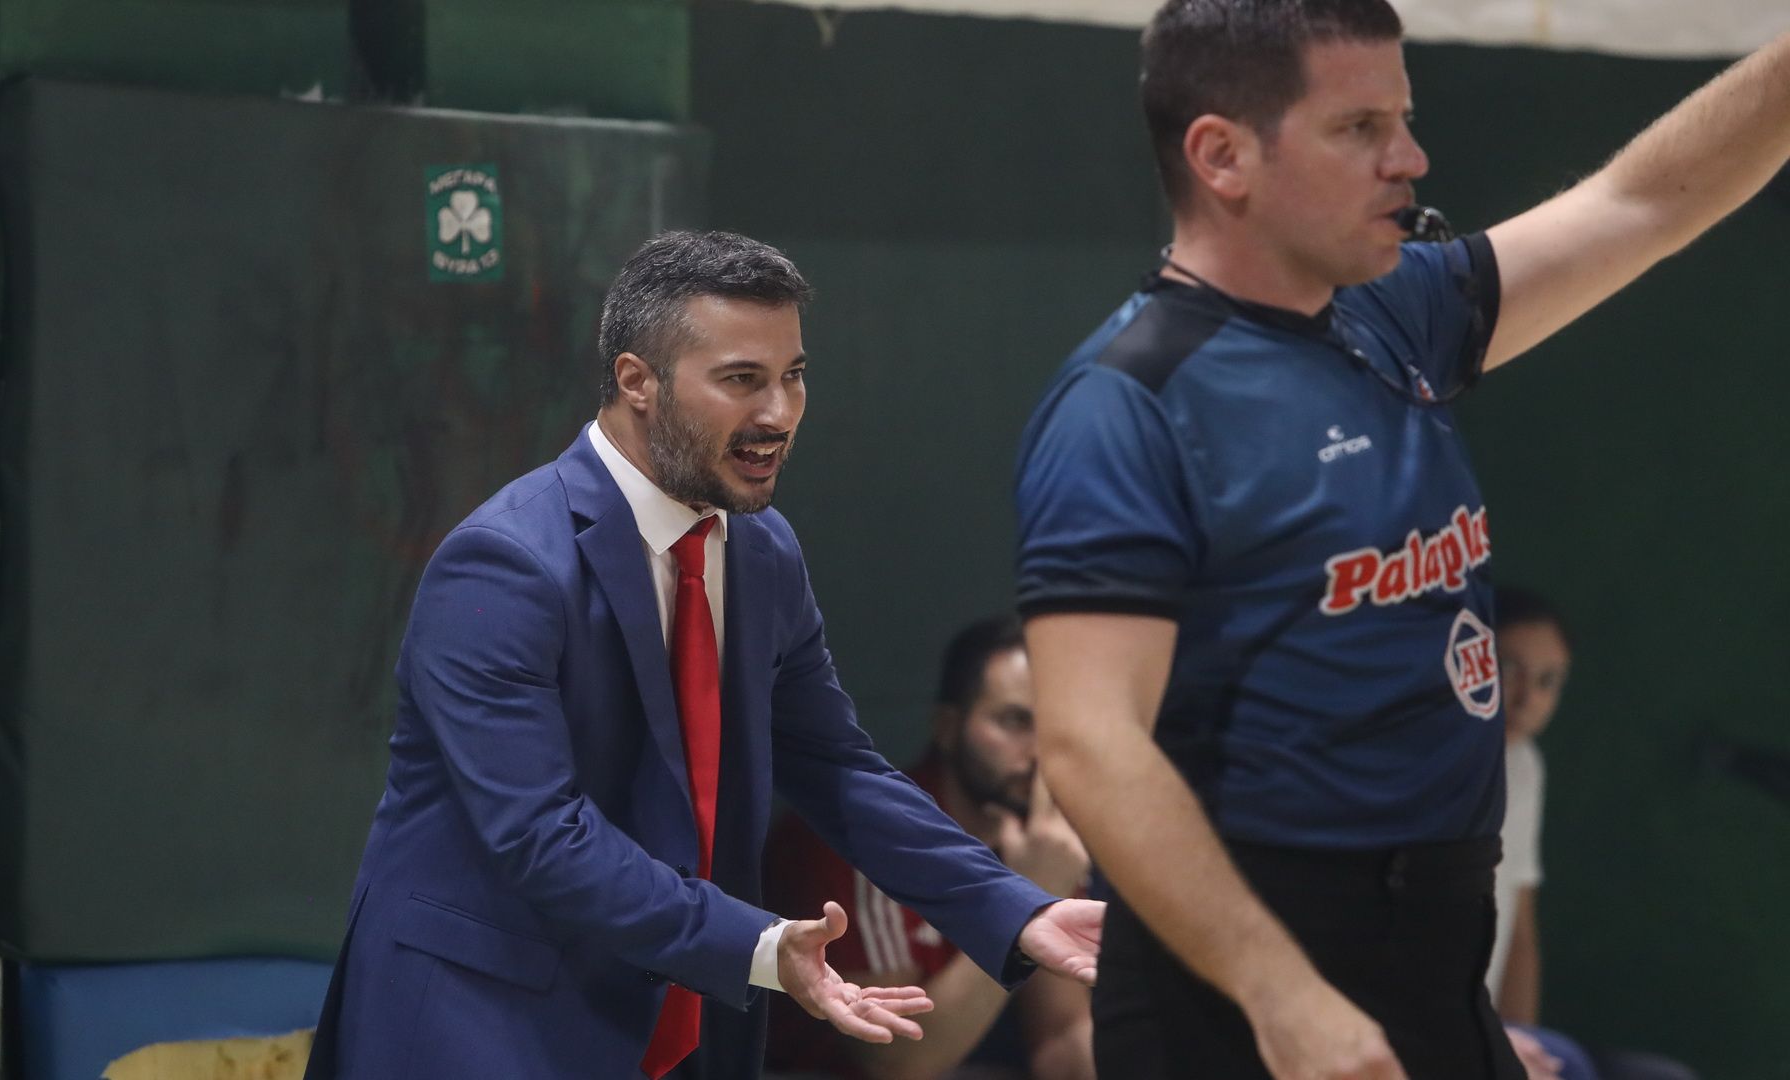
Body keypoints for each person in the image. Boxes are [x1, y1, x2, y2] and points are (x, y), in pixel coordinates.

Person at [1011, 2, 1790, 1078]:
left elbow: (1643, 199)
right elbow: (1092, 746)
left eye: (1405, 119)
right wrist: (1284, 999)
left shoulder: (1395, 314)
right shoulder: (1127, 404)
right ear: (1223, 156)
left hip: (1438, 959)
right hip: (1248, 987)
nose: (1411, 159)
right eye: (1360, 128)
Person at [306, 231, 1103, 1080]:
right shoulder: (504, 563)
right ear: (636, 382)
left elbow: (838, 769)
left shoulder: (763, 550)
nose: (780, 413)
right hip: (482, 1020)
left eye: (794, 375)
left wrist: (1015, 912)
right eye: (742, 379)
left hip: (682, 1011)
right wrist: (758, 945)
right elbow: (541, 835)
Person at [765, 615, 1096, 1080]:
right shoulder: (873, 833)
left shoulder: (1043, 841)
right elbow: (897, 1060)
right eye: (1015, 721)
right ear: (947, 727)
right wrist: (1027, 896)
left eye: (1054, 726)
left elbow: (1061, 1037)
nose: (1040, 751)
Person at [1491, 589, 1698, 1080]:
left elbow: (1520, 929)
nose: (1527, 698)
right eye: (1508, 668)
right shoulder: (1417, 769)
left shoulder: (1524, 767)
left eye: (1548, 681)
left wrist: (1516, 1044)